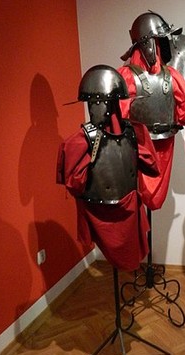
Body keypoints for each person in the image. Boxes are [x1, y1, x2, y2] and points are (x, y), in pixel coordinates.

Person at [56, 65, 159, 271]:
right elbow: (75, 183)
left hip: (127, 208)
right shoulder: (82, 140)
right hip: (100, 209)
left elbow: (151, 166)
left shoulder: (133, 131)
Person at [118, 11, 185, 210]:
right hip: (138, 145)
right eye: (159, 41)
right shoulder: (127, 77)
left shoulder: (169, 76)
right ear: (148, 44)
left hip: (159, 142)